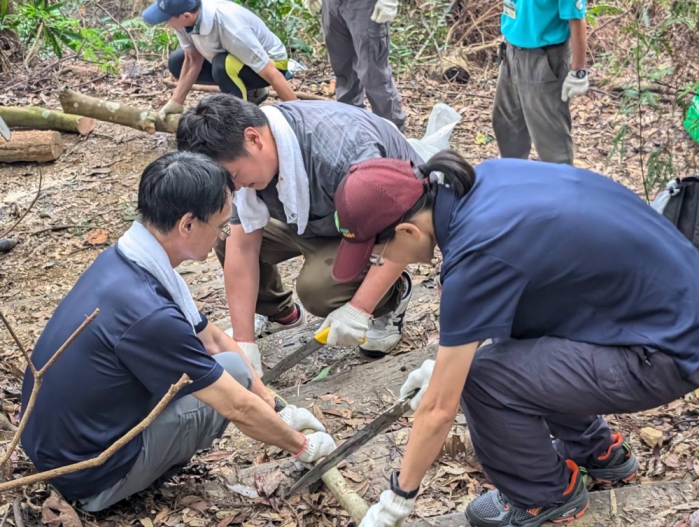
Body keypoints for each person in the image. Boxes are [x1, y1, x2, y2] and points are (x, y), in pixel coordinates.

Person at [329, 151, 699, 527]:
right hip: (668, 309)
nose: (379, 264)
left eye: (377, 256)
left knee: (480, 379)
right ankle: (598, 453)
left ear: (409, 231)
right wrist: (440, 366)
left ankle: (545, 496)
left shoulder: (477, 254)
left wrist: (397, 499)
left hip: (665, 353)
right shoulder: (485, 180)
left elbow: (439, 410)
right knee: (507, 337)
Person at [20, 152, 335, 511]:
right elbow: (235, 405)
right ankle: (130, 480)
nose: (222, 234)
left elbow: (212, 338)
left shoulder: (129, 259)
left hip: (61, 450)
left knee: (231, 366)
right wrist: (301, 446)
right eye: (220, 226)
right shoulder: (150, 315)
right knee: (231, 378)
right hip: (93, 477)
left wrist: (274, 405)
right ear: (187, 224)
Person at [175, 94, 422, 369]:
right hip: (312, 220)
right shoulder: (250, 157)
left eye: (233, 177)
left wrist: (359, 308)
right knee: (227, 237)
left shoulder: (344, 155)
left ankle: (392, 296)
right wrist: (244, 344)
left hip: (375, 230)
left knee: (320, 290)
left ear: (253, 139)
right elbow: (243, 247)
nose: (236, 188)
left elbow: (403, 235)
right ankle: (279, 314)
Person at [142, 0, 296, 118]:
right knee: (177, 62)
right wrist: (176, 101)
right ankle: (251, 91)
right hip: (232, 57)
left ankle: (241, 118)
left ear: (186, 16)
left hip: (271, 63)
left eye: (167, 19)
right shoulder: (185, 22)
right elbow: (192, 59)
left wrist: (300, 112)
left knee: (221, 65)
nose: (166, 23)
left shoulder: (231, 27)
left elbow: (272, 73)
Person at [493, 0, 589, 164]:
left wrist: (578, 71)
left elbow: (576, 19)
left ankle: (560, 180)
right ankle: (513, 175)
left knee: (550, 138)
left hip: (543, 57)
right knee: (508, 126)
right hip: (510, 52)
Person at [302, 0, 405, 131]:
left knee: (373, 74)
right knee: (343, 70)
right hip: (331, 5)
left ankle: (392, 130)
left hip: (364, 5)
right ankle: (353, 128)